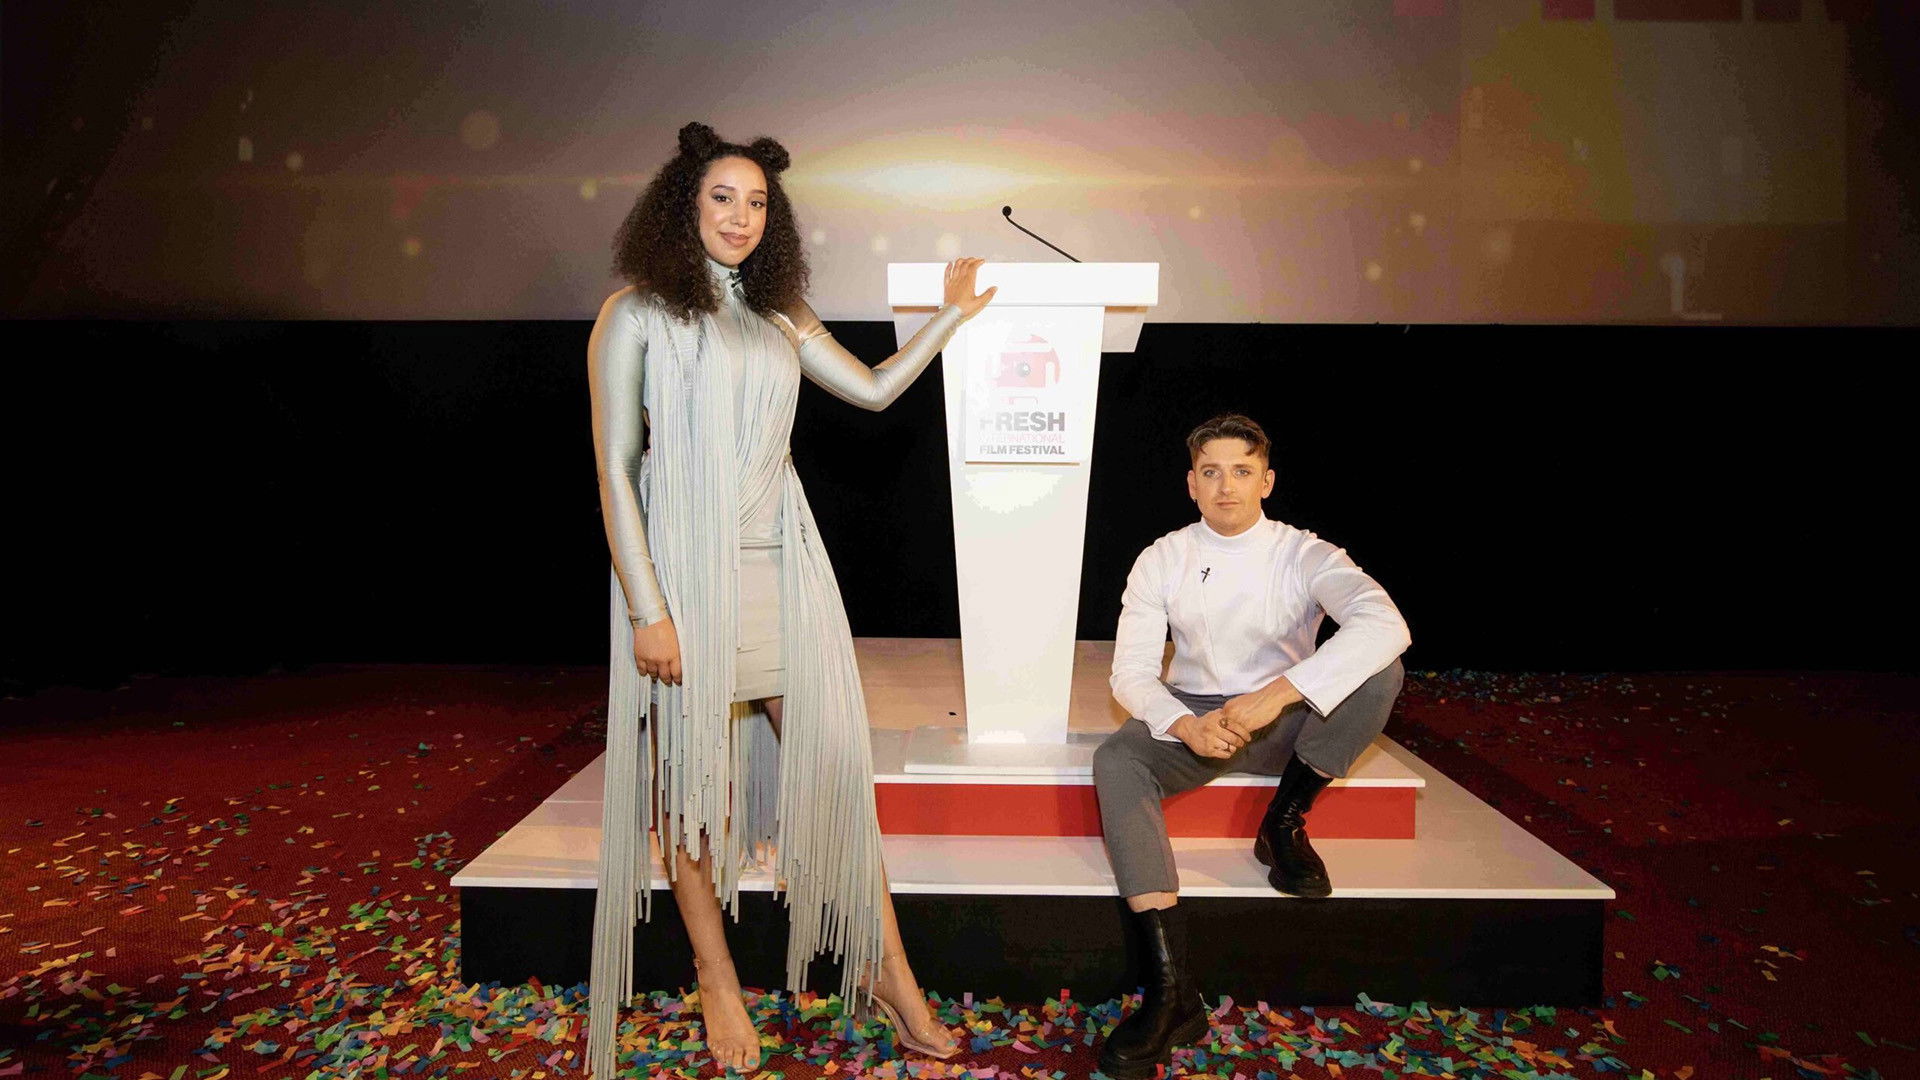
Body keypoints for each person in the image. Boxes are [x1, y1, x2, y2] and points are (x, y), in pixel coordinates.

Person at [584, 121, 996, 1077]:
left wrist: (949, 317)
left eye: (758, 202)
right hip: (684, 579)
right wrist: (647, 609)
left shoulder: (779, 312)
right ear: (683, 207)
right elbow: (615, 469)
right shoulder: (634, 314)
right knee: (692, 791)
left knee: (835, 779)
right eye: (722, 197)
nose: (741, 217)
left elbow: (876, 390)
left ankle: (889, 973)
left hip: (783, 569)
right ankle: (717, 978)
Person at [1090, 413, 1410, 1079]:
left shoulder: (1306, 553)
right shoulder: (1162, 557)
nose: (1225, 486)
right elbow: (1131, 674)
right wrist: (1183, 724)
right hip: (1197, 717)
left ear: (1266, 480)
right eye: (1210, 472)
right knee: (1116, 759)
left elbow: (1384, 622)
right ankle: (1172, 991)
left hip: (1284, 717)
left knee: (1382, 668)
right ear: (1191, 484)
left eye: (1241, 471)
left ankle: (1283, 823)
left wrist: (1276, 694)